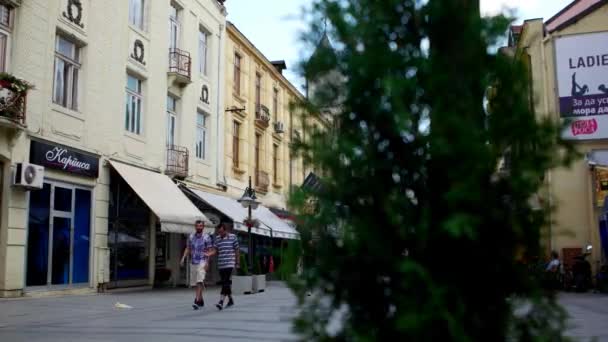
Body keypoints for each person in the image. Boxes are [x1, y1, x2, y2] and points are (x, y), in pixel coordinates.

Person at [181, 220, 215, 310]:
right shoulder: (191, 237)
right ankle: (201, 299)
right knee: (196, 283)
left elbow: (210, 250)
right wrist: (183, 257)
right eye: (197, 226)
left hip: (202, 261)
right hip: (193, 261)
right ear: (195, 226)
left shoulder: (207, 237)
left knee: (200, 281)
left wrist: (207, 262)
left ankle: (196, 300)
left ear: (203, 227)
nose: (199, 227)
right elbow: (188, 248)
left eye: (201, 226)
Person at [214, 223, 239, 310]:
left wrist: (237, 262)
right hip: (221, 264)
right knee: (226, 282)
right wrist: (208, 253)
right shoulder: (217, 238)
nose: (220, 234)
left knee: (225, 282)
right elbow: (216, 251)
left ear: (225, 230)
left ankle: (221, 301)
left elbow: (237, 250)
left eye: (221, 232)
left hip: (230, 263)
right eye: (219, 232)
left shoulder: (233, 237)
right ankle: (231, 300)